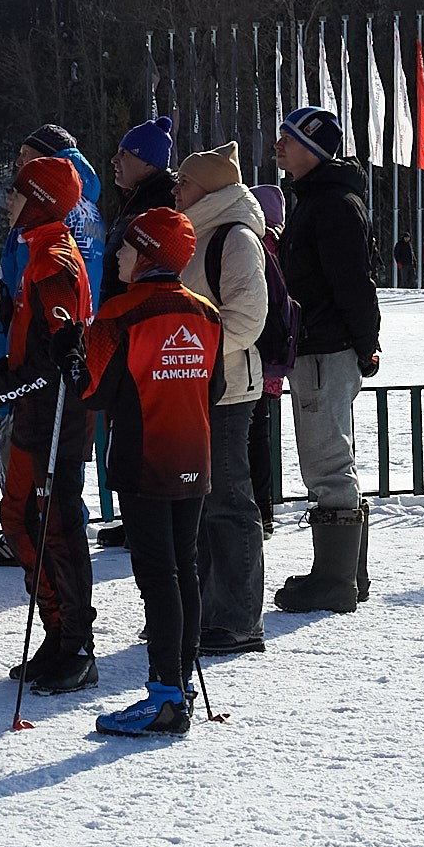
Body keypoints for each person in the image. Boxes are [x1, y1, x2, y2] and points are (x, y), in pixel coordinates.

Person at [83, 208, 223, 738]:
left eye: (124, 246)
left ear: (146, 254)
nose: (116, 254)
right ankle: (178, 685)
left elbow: (92, 390)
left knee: (158, 575)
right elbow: (214, 385)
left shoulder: (122, 312)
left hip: (144, 460)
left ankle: (166, 696)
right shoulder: (207, 313)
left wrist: (72, 356)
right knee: (182, 569)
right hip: (194, 455)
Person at [0, 154, 98, 693]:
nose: (8, 201)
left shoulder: (53, 261)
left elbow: (58, 362)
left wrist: (2, 386)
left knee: (54, 528)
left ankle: (76, 645)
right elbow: (35, 352)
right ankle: (58, 631)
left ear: (39, 200)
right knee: (20, 519)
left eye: (18, 193)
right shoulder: (36, 252)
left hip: (56, 419)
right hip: (35, 414)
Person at [270, 105, 384, 614]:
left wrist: (365, 344)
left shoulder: (331, 203)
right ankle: (345, 575)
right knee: (333, 458)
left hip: (324, 348)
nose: (279, 146)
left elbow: (353, 283)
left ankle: (335, 581)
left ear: (313, 149)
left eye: (288, 139)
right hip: (322, 345)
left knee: (328, 462)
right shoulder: (321, 198)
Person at [0, 122, 105, 567]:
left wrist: (6, 380)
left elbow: (54, 316)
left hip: (46, 377)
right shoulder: (77, 205)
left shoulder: (52, 226)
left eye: (24, 157)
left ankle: (49, 563)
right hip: (45, 363)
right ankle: (48, 548)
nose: (16, 168)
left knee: (44, 491)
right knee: (48, 492)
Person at [173, 142, 270, 657]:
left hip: (225, 388)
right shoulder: (191, 232)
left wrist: (187, 350)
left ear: (209, 189)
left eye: (185, 182)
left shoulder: (234, 237)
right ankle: (202, 611)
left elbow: (248, 319)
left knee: (228, 502)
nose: (176, 189)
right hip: (189, 384)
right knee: (198, 501)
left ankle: (236, 619)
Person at [250, 184, 297, 534]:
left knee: (249, 437)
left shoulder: (258, 245)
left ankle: (258, 510)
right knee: (260, 436)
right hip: (275, 360)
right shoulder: (285, 246)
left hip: (255, 356)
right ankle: (264, 510)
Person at [103, 115, 178, 302]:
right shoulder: (133, 200)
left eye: (124, 154)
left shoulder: (161, 207)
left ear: (147, 163)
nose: (114, 160)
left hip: (134, 320)